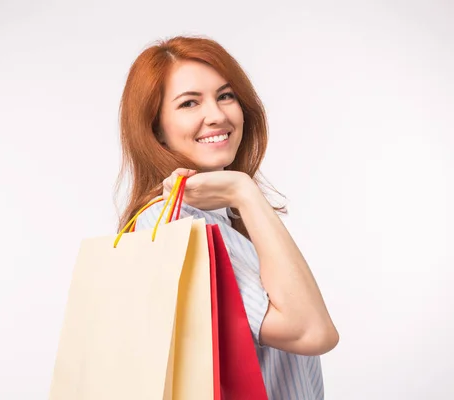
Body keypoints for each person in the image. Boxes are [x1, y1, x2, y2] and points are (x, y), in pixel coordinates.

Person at [114, 35, 339, 400]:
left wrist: (242, 199)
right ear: (156, 129)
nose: (217, 115)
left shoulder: (228, 217)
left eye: (225, 95)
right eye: (189, 103)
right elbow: (312, 333)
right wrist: (244, 190)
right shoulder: (181, 227)